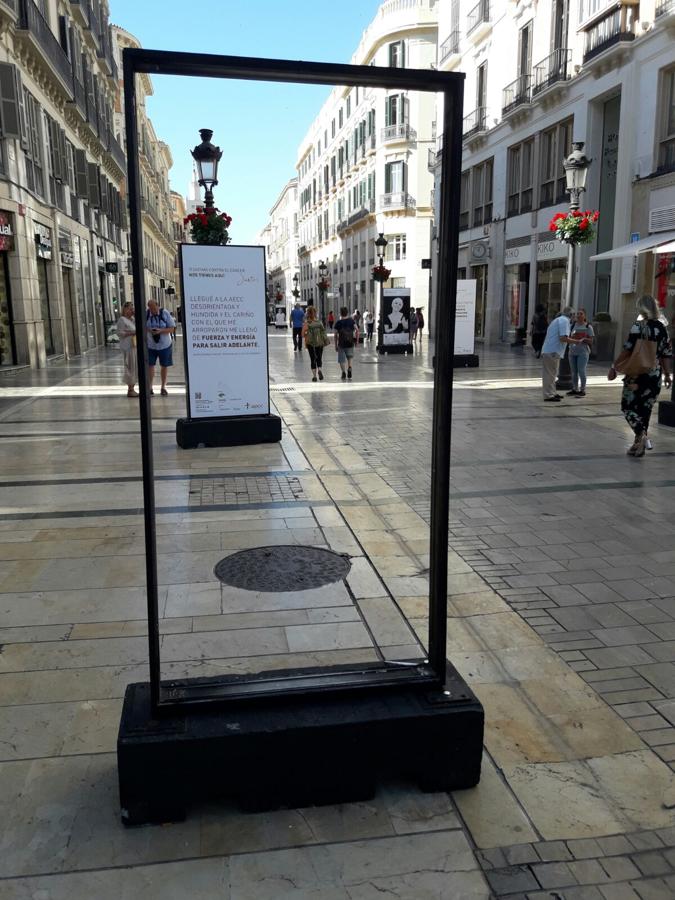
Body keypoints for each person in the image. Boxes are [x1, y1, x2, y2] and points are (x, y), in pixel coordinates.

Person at [608, 294, 672, 457]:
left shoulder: (639, 326)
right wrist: (667, 374)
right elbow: (666, 353)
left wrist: (614, 366)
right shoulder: (662, 328)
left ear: (642, 309)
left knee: (628, 406)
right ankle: (639, 445)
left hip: (637, 373)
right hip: (654, 375)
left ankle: (641, 437)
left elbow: (628, 349)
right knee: (645, 410)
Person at [541, 306, 581, 402]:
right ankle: (549, 395)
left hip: (551, 350)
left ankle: (552, 392)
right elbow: (563, 337)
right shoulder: (564, 321)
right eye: (574, 315)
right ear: (570, 315)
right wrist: (576, 341)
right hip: (553, 351)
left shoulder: (559, 320)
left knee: (552, 374)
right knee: (550, 374)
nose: (575, 318)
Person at [146, 299, 175, 396]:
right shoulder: (146, 315)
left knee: (164, 366)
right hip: (151, 345)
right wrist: (150, 330)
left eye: (154, 308)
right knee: (150, 365)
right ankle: (150, 387)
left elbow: (172, 328)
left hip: (165, 345)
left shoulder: (165, 313)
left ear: (158, 306)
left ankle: (163, 387)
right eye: (150, 309)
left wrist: (160, 331)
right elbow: (142, 327)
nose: (152, 310)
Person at [567, 308, 594, 397]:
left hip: (583, 352)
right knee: (574, 371)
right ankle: (575, 388)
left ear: (585, 316)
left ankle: (582, 389)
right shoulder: (572, 325)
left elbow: (591, 341)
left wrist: (584, 339)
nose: (579, 315)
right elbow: (567, 336)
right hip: (572, 351)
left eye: (581, 314)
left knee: (581, 370)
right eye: (577, 314)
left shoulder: (588, 326)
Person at [116, 302, 137, 397]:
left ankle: (133, 387)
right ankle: (130, 389)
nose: (132, 310)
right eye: (130, 308)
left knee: (134, 367)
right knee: (129, 366)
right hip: (127, 346)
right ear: (125, 310)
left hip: (134, 346)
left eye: (132, 308)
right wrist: (131, 333)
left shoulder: (132, 319)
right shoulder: (122, 320)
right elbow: (119, 333)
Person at [302, 305, 327, 382]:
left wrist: (307, 333)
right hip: (320, 342)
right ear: (315, 313)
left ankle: (314, 376)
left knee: (313, 359)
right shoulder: (319, 322)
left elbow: (303, 334)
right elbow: (323, 331)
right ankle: (319, 369)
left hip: (310, 343)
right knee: (319, 357)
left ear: (308, 314)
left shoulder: (307, 323)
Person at [334, 306, 358, 381]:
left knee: (341, 359)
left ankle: (343, 372)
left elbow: (335, 335)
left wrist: (335, 345)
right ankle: (349, 367)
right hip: (350, 342)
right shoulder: (351, 321)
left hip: (341, 343)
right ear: (347, 313)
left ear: (340, 313)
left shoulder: (338, 323)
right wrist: (356, 341)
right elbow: (357, 330)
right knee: (349, 357)